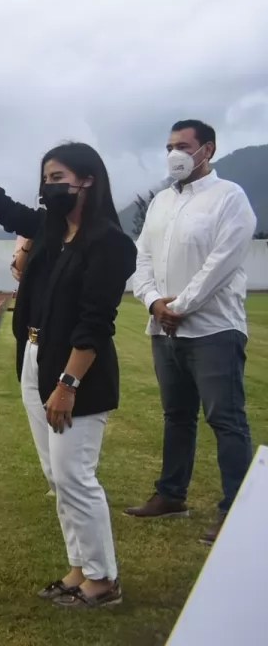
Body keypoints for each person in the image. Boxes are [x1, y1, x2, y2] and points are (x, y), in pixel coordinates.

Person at [0, 129, 135, 609]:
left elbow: (96, 324)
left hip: (75, 371)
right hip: (35, 358)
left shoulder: (109, 243)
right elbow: (2, 207)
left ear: (87, 182)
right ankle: (80, 567)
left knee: (75, 473)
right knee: (56, 475)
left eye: (57, 178)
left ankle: (104, 581)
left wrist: (68, 385)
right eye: (45, 178)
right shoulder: (52, 232)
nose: (47, 186)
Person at [125, 120, 257, 546]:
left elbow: (221, 262)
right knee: (176, 416)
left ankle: (235, 509)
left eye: (182, 146)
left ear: (208, 150)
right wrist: (152, 302)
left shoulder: (230, 199)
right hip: (164, 331)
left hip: (213, 330)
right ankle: (171, 494)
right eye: (168, 147)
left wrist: (179, 307)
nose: (173, 154)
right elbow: (142, 258)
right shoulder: (162, 201)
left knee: (226, 419)